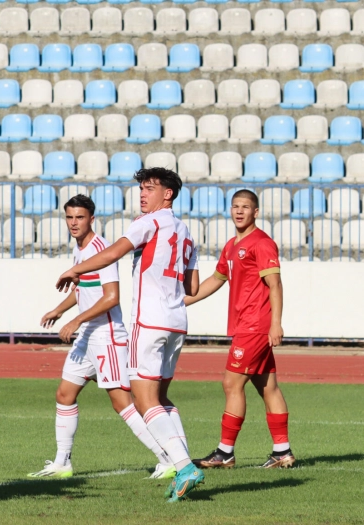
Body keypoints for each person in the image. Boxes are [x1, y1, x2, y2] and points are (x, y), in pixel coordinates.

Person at [55, 167, 204, 502]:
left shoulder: (148, 222)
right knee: (161, 398)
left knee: (143, 400)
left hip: (149, 321)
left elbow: (114, 252)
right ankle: (184, 463)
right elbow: (192, 286)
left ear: (167, 194)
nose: (142, 194)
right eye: (141, 188)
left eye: (149, 188)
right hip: (177, 321)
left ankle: (184, 466)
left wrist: (76, 269)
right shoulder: (186, 232)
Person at [32, 195, 176, 480]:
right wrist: (59, 310)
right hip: (87, 336)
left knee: (122, 403)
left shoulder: (101, 250)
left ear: (92, 219)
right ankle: (62, 463)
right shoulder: (79, 249)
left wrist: (77, 319)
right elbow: (83, 290)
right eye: (69, 217)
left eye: (80, 217)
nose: (74, 223)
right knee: (64, 394)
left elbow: (111, 297)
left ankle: (168, 458)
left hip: (107, 336)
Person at [185, 189, 294, 469]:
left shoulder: (262, 243)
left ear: (255, 212)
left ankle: (225, 453)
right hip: (246, 325)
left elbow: (275, 285)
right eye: (235, 206)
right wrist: (182, 301)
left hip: (254, 325)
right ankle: (282, 452)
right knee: (267, 386)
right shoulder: (232, 245)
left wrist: (276, 323)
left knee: (231, 383)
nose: (239, 211)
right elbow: (216, 279)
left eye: (245, 207)